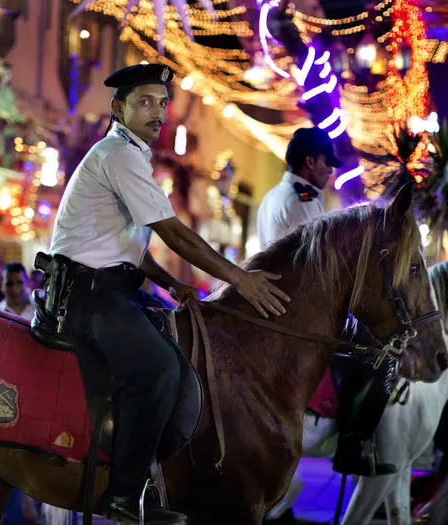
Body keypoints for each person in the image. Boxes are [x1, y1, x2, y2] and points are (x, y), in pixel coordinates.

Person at [48, 63, 290, 524]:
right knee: (158, 368)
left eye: (162, 102)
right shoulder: (116, 155)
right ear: (118, 109)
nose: (158, 112)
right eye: (145, 102)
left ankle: (165, 475)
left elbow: (126, 245)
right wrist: (241, 279)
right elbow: (174, 234)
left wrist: (169, 282)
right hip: (87, 295)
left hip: (114, 287)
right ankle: (125, 495)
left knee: (187, 346)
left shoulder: (131, 156)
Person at [256, 128, 395, 511]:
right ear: (309, 162)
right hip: (300, 309)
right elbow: (322, 267)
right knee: (371, 364)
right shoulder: (302, 200)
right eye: (326, 164)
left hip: (283, 303)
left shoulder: (277, 195)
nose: (331, 172)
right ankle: (354, 445)